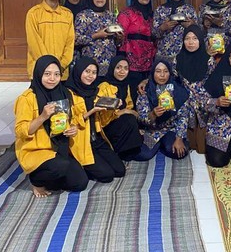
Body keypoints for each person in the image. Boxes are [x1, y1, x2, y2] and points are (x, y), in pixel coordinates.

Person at [14, 56, 98, 198]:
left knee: (80, 183)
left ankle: (52, 178)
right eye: (47, 74)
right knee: (60, 166)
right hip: (38, 150)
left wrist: (73, 128)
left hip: (61, 148)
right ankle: (36, 181)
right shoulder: (27, 98)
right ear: (39, 74)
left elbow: (70, 120)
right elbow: (21, 131)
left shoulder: (65, 93)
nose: (52, 78)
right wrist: (42, 117)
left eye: (56, 74)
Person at [65, 56, 126, 179]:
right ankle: (78, 165)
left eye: (94, 72)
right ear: (78, 71)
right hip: (81, 140)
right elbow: (68, 123)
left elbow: (102, 122)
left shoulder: (95, 91)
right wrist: (91, 111)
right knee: (107, 176)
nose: (90, 76)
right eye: (87, 71)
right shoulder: (68, 93)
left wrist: (112, 108)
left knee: (120, 171)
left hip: (96, 139)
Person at [135, 59, 191, 161]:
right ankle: (159, 144)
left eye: (165, 71)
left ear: (170, 73)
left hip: (170, 129)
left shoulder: (178, 90)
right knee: (144, 155)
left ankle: (166, 143)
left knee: (177, 152)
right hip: (152, 130)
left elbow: (183, 116)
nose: (162, 75)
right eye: (158, 71)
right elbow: (141, 118)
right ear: (152, 73)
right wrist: (153, 114)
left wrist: (179, 139)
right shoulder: (145, 91)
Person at [25, 0, 75, 80]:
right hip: (40, 70)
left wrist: (61, 65)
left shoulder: (67, 15)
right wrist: (48, 66)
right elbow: (34, 43)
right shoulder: (34, 13)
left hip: (61, 72)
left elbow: (70, 43)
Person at [175, 25, 216, 151]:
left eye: (194, 38)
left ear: (200, 40)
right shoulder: (178, 59)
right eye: (187, 38)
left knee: (202, 149)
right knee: (189, 147)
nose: (191, 42)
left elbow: (213, 84)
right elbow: (173, 82)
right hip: (185, 105)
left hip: (204, 107)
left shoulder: (208, 59)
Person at [94, 56, 144, 160]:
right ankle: (118, 150)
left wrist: (128, 111)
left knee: (131, 118)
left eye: (126, 68)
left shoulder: (126, 85)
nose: (122, 71)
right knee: (129, 118)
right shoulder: (104, 86)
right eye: (118, 68)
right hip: (106, 126)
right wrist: (124, 111)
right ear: (112, 68)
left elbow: (129, 105)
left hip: (120, 125)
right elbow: (101, 116)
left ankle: (127, 150)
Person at [117, 0, 157, 104]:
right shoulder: (127, 13)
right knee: (133, 94)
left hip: (149, 61)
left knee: (147, 93)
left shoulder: (152, 15)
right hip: (132, 60)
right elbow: (120, 36)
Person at [75, 0, 119, 75]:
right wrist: (96, 35)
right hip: (90, 64)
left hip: (109, 62)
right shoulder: (83, 15)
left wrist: (120, 37)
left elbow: (116, 41)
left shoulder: (110, 15)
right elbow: (76, 39)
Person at [152, 0, 198, 65]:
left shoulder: (189, 9)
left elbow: (198, 33)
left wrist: (192, 26)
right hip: (164, 55)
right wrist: (162, 28)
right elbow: (154, 35)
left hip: (186, 55)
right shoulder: (160, 10)